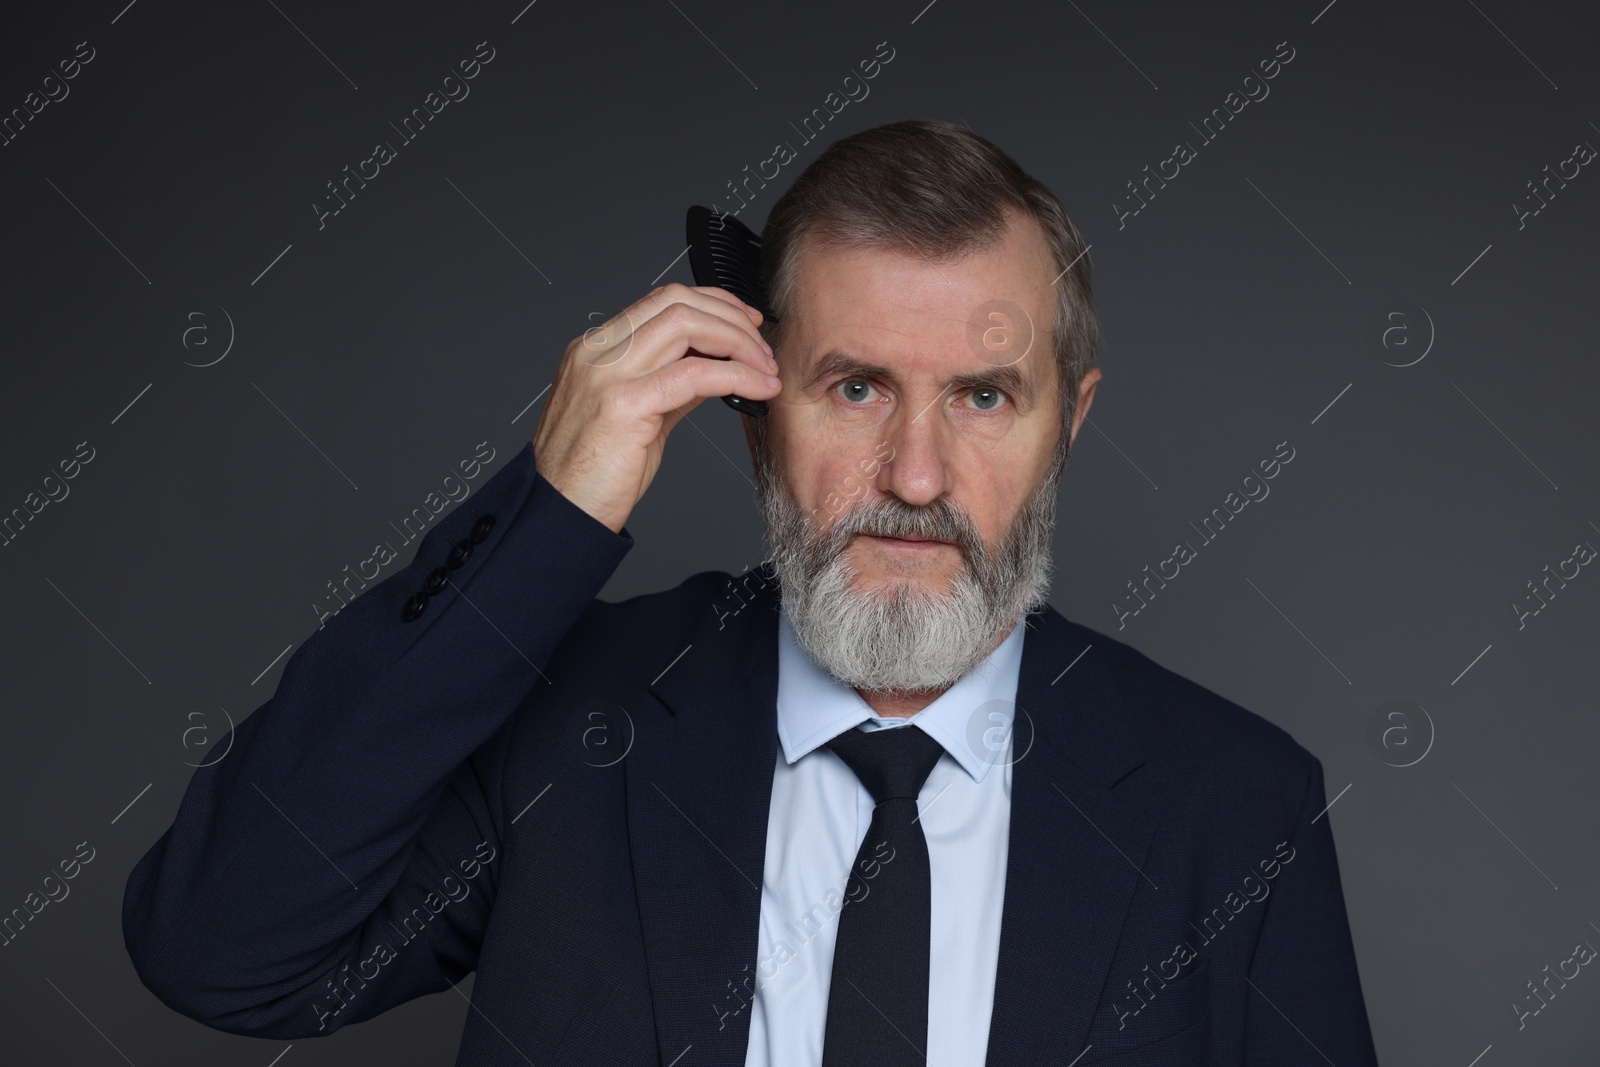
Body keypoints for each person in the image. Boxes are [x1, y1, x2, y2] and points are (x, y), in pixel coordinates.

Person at [123, 119, 1379, 1066]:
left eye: (983, 395)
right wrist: (550, 516)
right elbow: (221, 949)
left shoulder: (1235, 801)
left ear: (1068, 421)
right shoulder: (567, 728)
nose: (917, 472)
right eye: (855, 387)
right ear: (753, 407)